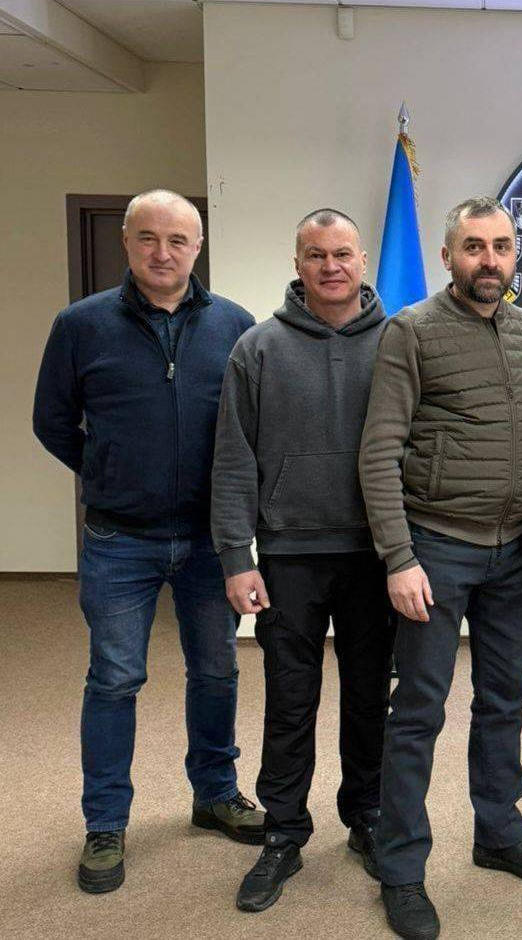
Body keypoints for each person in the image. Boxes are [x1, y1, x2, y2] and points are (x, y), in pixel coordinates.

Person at [32, 188, 261, 895]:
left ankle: (214, 793)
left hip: (209, 538)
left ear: (198, 248)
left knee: (217, 671)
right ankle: (105, 823)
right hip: (118, 539)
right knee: (115, 678)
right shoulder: (81, 325)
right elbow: (52, 421)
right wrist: (108, 470)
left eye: (178, 240)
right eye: (149, 238)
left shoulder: (235, 325)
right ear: (126, 242)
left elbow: (251, 428)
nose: (163, 253)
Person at [359, 196, 522, 940]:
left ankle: (499, 832)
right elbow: (378, 451)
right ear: (448, 256)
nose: (489, 259)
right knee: (419, 710)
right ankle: (401, 867)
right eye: (474, 246)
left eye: (501, 246)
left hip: (511, 551)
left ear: (516, 255)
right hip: (436, 549)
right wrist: (398, 557)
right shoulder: (411, 331)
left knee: (504, 698)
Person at [211, 208, 396, 912]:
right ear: (298, 264)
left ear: (362, 260)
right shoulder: (257, 348)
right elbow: (234, 461)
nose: (330, 266)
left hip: (376, 554)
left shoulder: (400, 342)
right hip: (288, 555)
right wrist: (237, 556)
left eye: (342, 253)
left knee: (369, 696)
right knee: (290, 700)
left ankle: (367, 816)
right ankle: (284, 831)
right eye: (315, 255)